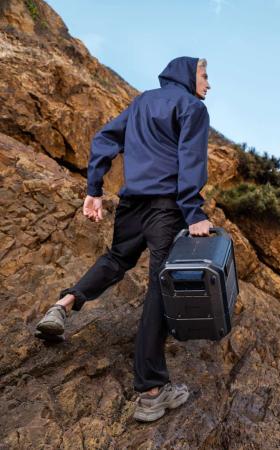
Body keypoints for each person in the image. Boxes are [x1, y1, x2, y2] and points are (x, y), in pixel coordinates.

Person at [34, 56, 212, 422]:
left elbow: (104, 138)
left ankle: (64, 304)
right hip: (166, 208)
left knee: (117, 259)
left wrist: (94, 189)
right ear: (188, 75)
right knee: (163, 289)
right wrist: (194, 213)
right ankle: (151, 392)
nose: (209, 85)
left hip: (132, 203)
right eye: (205, 76)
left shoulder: (141, 102)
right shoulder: (192, 107)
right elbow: (190, 159)